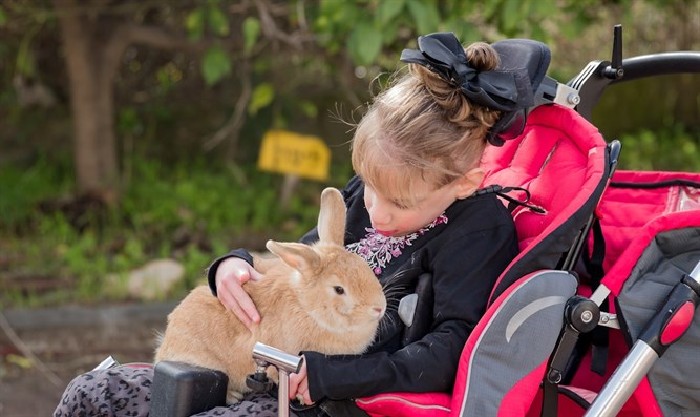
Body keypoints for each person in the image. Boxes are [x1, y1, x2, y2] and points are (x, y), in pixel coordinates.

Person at [54, 32, 533, 417]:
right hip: (265, 372)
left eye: (400, 202)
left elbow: (452, 350)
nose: (378, 212)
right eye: (368, 187)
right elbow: (305, 263)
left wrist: (333, 376)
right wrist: (234, 267)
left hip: (338, 400)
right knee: (94, 392)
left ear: (467, 182)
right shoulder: (372, 198)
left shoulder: (478, 230)